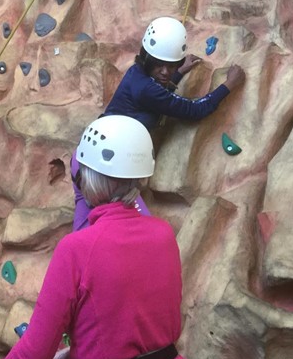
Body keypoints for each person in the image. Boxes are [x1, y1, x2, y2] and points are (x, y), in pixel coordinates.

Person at [0, 115, 197, 359]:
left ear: (87, 178)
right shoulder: (163, 234)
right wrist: (77, 357)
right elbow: (139, 327)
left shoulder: (77, 248)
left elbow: (33, 355)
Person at [71, 16, 245, 229]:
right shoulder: (146, 89)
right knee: (133, 226)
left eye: (171, 66)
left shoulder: (138, 74)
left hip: (88, 157)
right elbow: (194, 109)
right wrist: (228, 85)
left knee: (85, 226)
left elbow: (158, 94)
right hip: (106, 171)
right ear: (147, 59)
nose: (165, 72)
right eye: (159, 65)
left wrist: (179, 72)